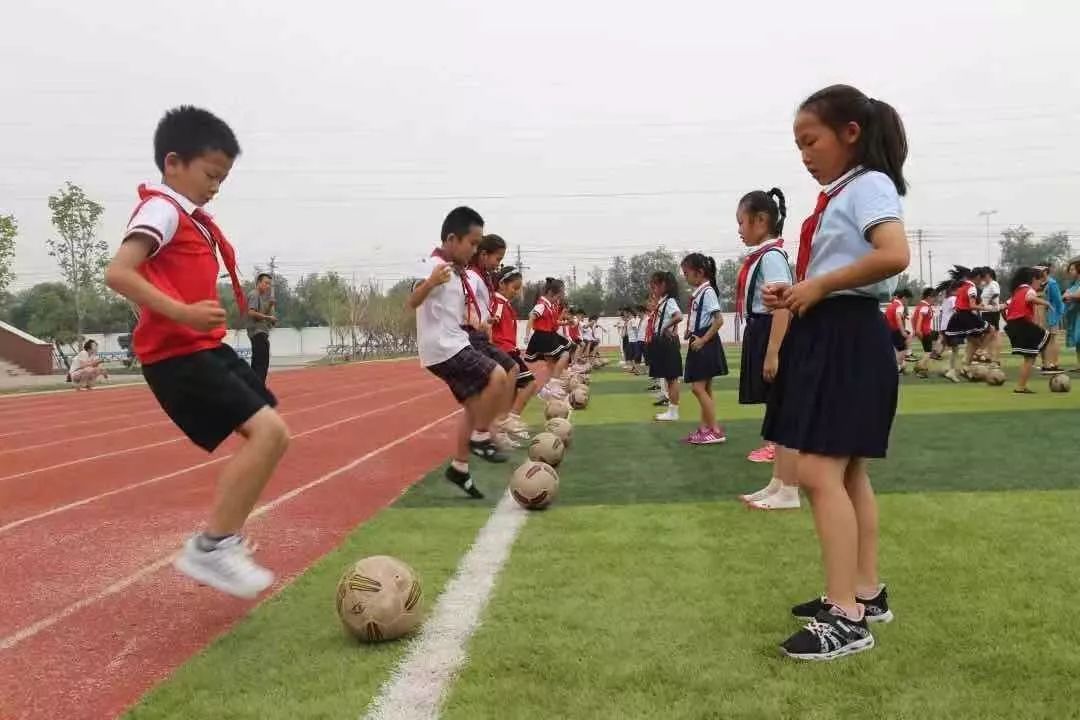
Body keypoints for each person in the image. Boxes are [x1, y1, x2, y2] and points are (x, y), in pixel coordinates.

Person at [104, 105, 289, 599]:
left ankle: (218, 542)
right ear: (173, 163)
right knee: (269, 433)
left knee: (271, 431)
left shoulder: (187, 214)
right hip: (176, 351)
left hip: (203, 345)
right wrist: (181, 313)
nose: (215, 187)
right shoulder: (161, 208)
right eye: (210, 175)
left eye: (222, 179)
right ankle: (213, 546)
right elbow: (119, 272)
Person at [762, 84, 909, 660]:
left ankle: (846, 617)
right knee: (847, 474)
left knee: (821, 472)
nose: (804, 154)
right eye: (797, 145)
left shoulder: (868, 183)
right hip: (835, 329)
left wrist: (819, 285)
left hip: (847, 334)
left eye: (811, 140)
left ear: (850, 133)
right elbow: (845, 263)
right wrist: (801, 290)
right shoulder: (845, 191)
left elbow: (894, 253)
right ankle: (864, 593)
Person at [408, 206, 512, 500]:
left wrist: (478, 323)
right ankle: (481, 435)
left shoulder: (458, 273)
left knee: (474, 402)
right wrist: (430, 282)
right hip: (444, 347)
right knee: (498, 375)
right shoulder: (433, 265)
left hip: (455, 342)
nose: (476, 249)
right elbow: (412, 302)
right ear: (452, 239)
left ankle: (460, 467)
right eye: (473, 243)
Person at [733, 188, 800, 510]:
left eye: (742, 222)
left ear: (761, 221)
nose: (739, 229)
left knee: (785, 412)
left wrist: (773, 351)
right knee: (777, 413)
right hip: (761, 331)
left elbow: (782, 306)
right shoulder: (764, 254)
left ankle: (790, 490)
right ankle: (778, 483)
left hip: (772, 333)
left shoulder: (772, 257)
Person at [465, 233, 524, 450]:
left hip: (481, 335)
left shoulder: (483, 277)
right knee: (506, 373)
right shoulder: (472, 276)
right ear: (483, 254)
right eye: (497, 259)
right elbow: (466, 302)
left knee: (505, 375)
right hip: (472, 336)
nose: (498, 264)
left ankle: (493, 428)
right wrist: (475, 322)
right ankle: (495, 428)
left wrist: (485, 321)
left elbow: (482, 307)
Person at [679, 253, 728, 444]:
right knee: (705, 389)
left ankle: (715, 430)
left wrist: (702, 340)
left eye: (686, 272)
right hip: (699, 338)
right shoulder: (701, 292)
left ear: (699, 273)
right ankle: (705, 428)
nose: (685, 277)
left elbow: (718, 320)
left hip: (704, 342)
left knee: (697, 388)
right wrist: (690, 331)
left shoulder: (707, 292)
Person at [491, 265, 539, 427]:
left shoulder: (505, 304)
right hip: (503, 352)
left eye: (519, 289)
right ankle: (512, 419)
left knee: (512, 390)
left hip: (509, 351)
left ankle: (503, 423)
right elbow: (490, 324)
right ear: (502, 284)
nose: (517, 292)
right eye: (515, 288)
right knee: (530, 383)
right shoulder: (497, 303)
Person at [1004, 267, 1052, 393]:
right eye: (1039, 281)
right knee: (1031, 355)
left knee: (1038, 344)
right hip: (1021, 324)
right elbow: (1030, 298)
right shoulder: (1029, 290)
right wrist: (1045, 303)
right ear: (1033, 279)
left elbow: (1006, 306)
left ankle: (1045, 365)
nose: (1040, 284)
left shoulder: (1017, 291)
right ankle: (1045, 366)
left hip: (1013, 325)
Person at [524, 277, 572, 399]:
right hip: (543, 336)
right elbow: (531, 317)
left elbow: (553, 323)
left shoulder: (550, 305)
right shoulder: (542, 304)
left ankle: (546, 391)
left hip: (549, 335)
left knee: (551, 363)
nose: (559, 299)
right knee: (565, 355)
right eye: (558, 296)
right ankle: (553, 383)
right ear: (551, 293)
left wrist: (566, 323)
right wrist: (527, 334)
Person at [648, 271, 684, 422]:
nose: (652, 288)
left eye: (655, 284)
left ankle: (673, 411)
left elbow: (679, 316)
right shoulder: (663, 301)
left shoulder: (669, 301)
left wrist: (664, 328)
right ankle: (671, 409)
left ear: (663, 285)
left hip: (667, 342)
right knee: (668, 378)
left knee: (672, 378)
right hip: (662, 342)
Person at [942, 266, 988, 380]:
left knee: (955, 347)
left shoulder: (963, 286)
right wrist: (985, 307)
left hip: (957, 317)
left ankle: (952, 370)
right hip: (965, 316)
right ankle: (969, 361)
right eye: (981, 280)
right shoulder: (972, 288)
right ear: (977, 277)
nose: (981, 283)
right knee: (989, 331)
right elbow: (972, 306)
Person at [246, 272, 276, 384]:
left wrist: (270, 305)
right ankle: (258, 389)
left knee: (259, 363)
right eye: (266, 283)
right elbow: (251, 312)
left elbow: (261, 314)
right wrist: (269, 317)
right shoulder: (254, 295)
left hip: (260, 332)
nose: (268, 286)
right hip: (257, 332)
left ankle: (254, 389)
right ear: (259, 283)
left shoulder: (261, 297)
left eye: (269, 284)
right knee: (261, 364)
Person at [1038, 263, 1065, 373]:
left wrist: (1058, 314)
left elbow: (1058, 301)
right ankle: (1045, 364)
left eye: (1040, 270)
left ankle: (1054, 363)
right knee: (1042, 339)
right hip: (1039, 315)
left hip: (1050, 314)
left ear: (1045, 271)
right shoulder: (1037, 283)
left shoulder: (1052, 283)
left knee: (1052, 339)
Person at [975, 266, 1002, 366]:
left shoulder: (993, 283)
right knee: (991, 335)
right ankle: (990, 357)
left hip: (991, 312)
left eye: (983, 277)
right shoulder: (986, 285)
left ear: (988, 275)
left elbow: (996, 293)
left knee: (992, 334)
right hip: (986, 312)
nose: (982, 279)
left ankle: (985, 353)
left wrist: (991, 301)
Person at [884, 289, 912, 372]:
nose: (907, 302)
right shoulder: (900, 306)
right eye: (907, 299)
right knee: (902, 350)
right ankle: (896, 367)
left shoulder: (892, 305)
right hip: (895, 330)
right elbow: (897, 317)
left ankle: (904, 360)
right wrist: (902, 331)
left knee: (907, 337)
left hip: (889, 330)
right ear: (903, 298)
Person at [911, 288, 937, 377]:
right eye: (934, 297)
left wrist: (916, 330)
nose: (935, 299)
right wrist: (918, 331)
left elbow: (912, 319)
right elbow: (919, 319)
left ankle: (920, 367)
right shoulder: (925, 307)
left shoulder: (920, 305)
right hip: (925, 332)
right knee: (928, 353)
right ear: (929, 297)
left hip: (924, 331)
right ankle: (920, 369)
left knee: (929, 351)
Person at [1063, 260, 1080, 369]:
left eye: (1072, 269)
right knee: (1078, 342)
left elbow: (1078, 295)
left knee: (1079, 338)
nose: (1070, 271)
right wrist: (1067, 296)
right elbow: (1065, 296)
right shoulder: (1073, 284)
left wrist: (1069, 296)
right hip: (1074, 315)